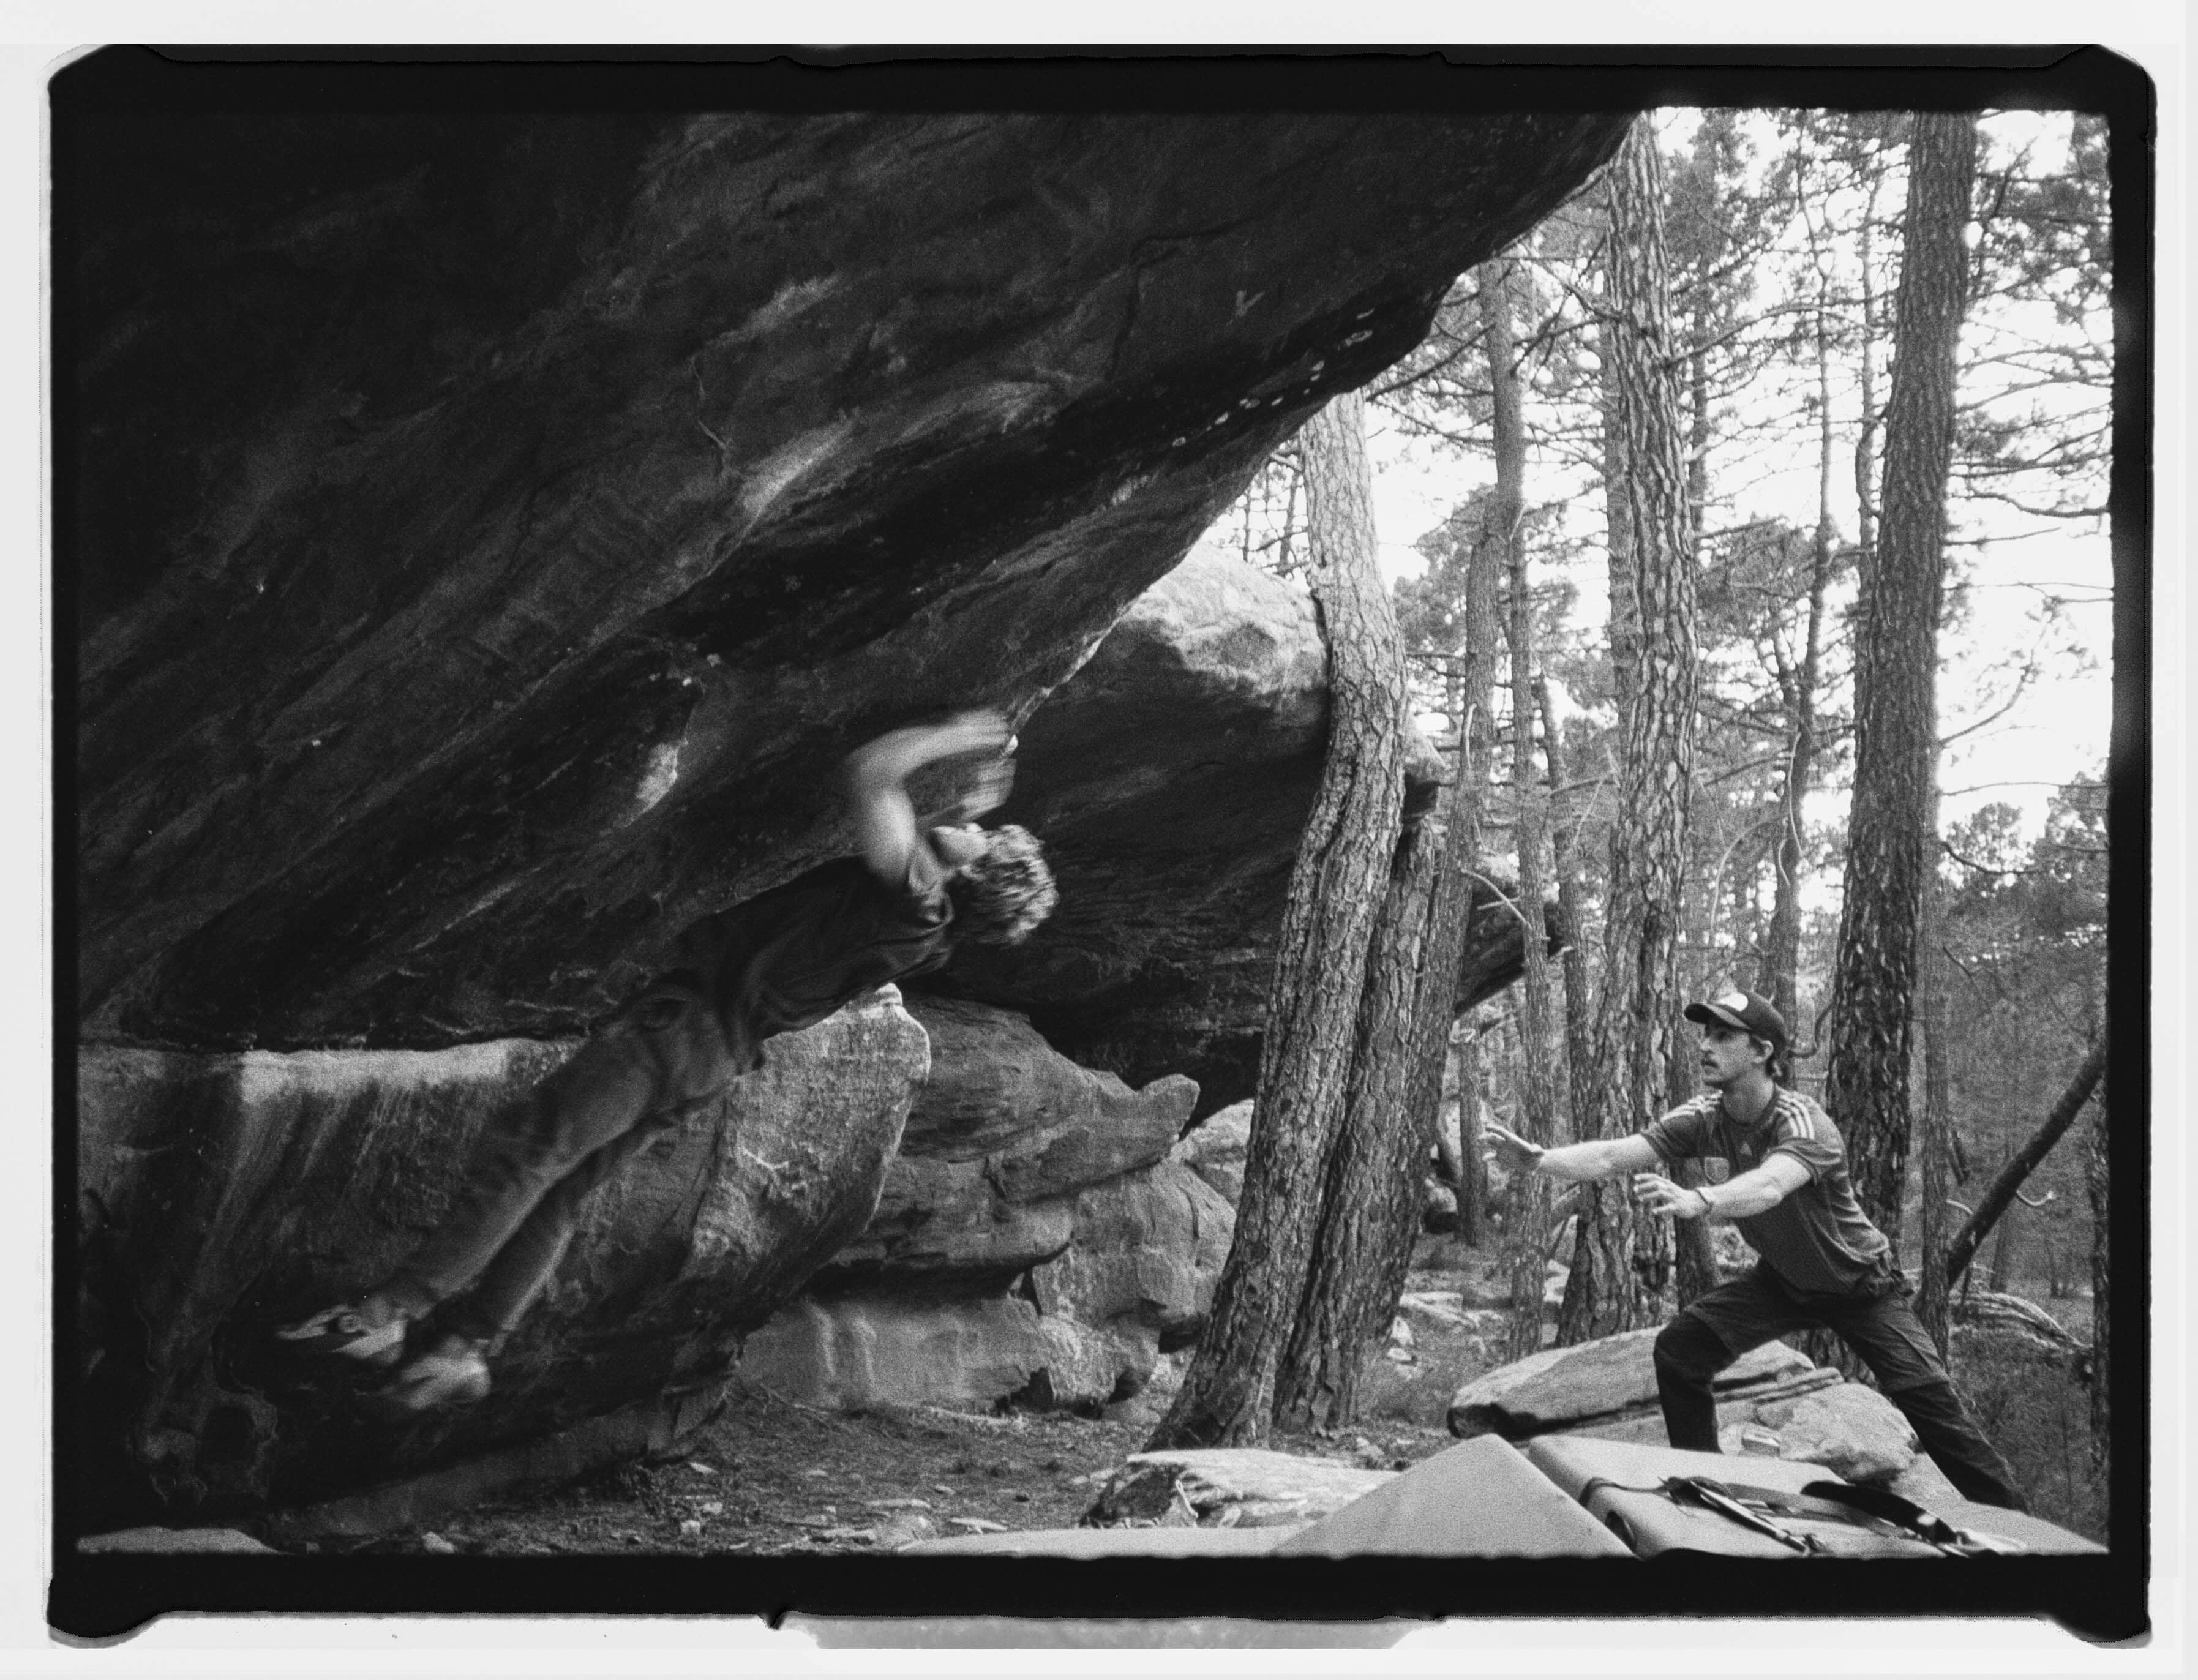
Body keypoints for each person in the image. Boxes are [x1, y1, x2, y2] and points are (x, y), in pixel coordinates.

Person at [277, 710, 1057, 1411]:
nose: (973, 825)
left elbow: (869, 773)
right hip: (713, 1055)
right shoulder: (925, 934)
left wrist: (957, 734)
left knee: (530, 1148)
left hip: (680, 1030)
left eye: (984, 836)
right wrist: (968, 800)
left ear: (971, 872)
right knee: (563, 1190)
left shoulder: (918, 897)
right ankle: (463, 1347)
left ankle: (386, 1316)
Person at [1483, 988, 2028, 1512]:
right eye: (1705, 1035)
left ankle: (2022, 1528)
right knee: (1681, 1350)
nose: (1705, 1046)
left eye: (1723, 1036)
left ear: (1763, 1051)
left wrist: (1702, 1199)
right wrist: (1540, 1160)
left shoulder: (1803, 1121)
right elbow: (1612, 1156)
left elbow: (1770, 1186)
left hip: (1861, 1285)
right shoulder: (1703, 1117)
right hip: (1784, 1283)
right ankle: (1706, 1484)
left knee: (1932, 1407)